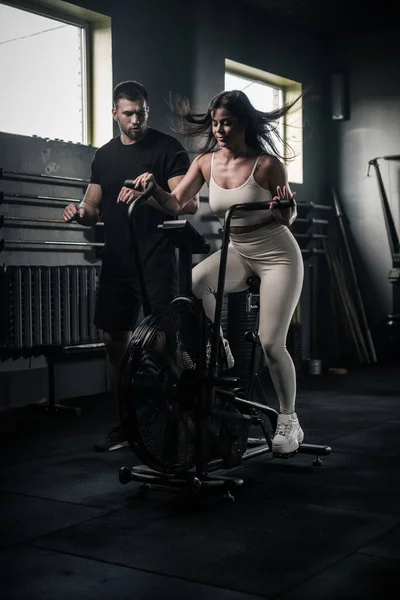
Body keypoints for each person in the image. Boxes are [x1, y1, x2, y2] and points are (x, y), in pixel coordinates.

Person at [131, 89, 304, 456]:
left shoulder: (267, 165)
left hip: (277, 254)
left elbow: (288, 215)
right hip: (237, 250)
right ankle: (220, 347)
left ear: (243, 123)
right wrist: (152, 190)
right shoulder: (206, 162)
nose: (219, 129)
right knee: (193, 283)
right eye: (215, 123)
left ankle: (289, 420)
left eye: (226, 122)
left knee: (272, 343)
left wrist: (286, 211)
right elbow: (177, 203)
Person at [63, 80, 199, 452]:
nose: (136, 119)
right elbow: (93, 207)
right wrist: (80, 212)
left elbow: (186, 205)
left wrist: (150, 191)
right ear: (114, 113)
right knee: (113, 340)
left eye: (141, 112)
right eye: (128, 113)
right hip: (117, 261)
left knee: (168, 343)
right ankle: (127, 423)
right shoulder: (104, 156)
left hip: (155, 259)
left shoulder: (166, 148)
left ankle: (178, 419)